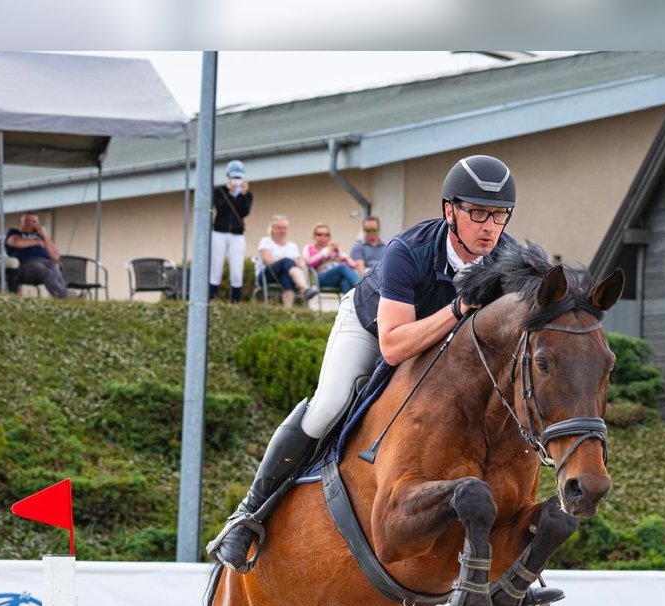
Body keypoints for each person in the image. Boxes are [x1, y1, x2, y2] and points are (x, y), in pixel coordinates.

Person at [212, 154, 518, 572]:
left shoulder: (509, 257)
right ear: (450, 210)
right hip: (373, 329)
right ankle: (247, 516)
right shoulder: (408, 251)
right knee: (328, 407)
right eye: (478, 213)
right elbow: (393, 347)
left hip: (448, 349)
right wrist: (458, 308)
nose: (490, 227)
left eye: (499, 216)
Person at [210, 159, 252, 302]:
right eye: (234, 177)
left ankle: (235, 300)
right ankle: (212, 297)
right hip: (219, 232)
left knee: (236, 269)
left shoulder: (248, 195)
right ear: (228, 177)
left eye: (239, 178)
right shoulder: (219, 191)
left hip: (237, 234)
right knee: (216, 266)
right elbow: (221, 208)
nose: (236, 181)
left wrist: (242, 195)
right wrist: (230, 194)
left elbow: (244, 212)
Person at [257, 215, 318, 308]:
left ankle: (287, 310)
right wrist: (286, 263)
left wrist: (299, 262)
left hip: (285, 275)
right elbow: (267, 261)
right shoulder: (266, 241)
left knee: (286, 276)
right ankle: (305, 288)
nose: (282, 230)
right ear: (272, 229)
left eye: (284, 228)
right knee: (286, 261)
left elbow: (300, 263)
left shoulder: (292, 246)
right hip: (267, 275)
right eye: (279, 228)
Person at [6, 212, 67, 298]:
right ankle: (62, 297)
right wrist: (38, 242)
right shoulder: (14, 232)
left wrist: (45, 236)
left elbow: (56, 257)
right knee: (45, 271)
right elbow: (15, 242)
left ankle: (64, 295)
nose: (33, 224)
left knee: (55, 267)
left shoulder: (42, 237)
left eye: (35, 221)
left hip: (47, 262)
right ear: (22, 223)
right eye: (30, 221)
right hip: (25, 264)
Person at [303, 223, 361, 295]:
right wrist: (326, 251)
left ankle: (349, 305)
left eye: (326, 235)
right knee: (342, 267)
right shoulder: (309, 247)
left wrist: (340, 254)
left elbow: (352, 266)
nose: (322, 237)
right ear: (314, 236)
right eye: (319, 234)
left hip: (337, 277)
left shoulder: (335, 249)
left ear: (329, 237)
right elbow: (309, 263)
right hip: (320, 278)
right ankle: (363, 288)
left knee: (345, 282)